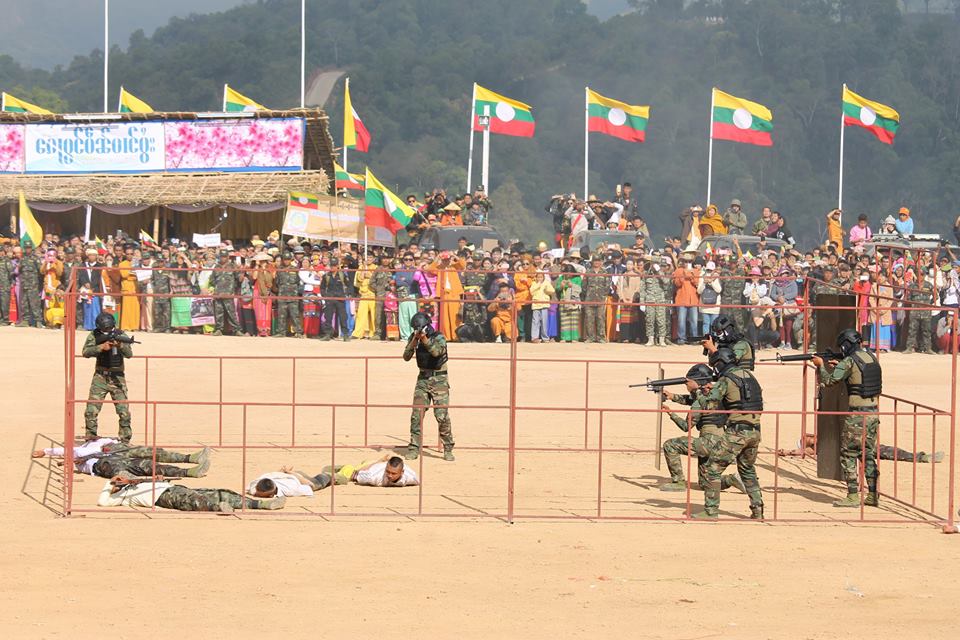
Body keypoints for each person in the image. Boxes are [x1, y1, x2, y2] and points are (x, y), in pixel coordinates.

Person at [812, 329, 882, 508]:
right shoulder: (871, 358)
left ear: (845, 344)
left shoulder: (849, 361)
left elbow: (829, 382)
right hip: (873, 413)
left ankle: (852, 496)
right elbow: (860, 377)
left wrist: (820, 366)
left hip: (857, 415)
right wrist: (841, 367)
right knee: (867, 455)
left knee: (848, 453)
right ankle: (873, 494)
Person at [695, 348, 765, 520]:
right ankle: (758, 510)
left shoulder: (726, 379)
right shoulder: (750, 376)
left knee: (712, 468)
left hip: (737, 432)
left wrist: (700, 392)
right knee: (747, 470)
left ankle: (711, 511)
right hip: (755, 430)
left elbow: (709, 404)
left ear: (720, 363)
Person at [659, 363, 745, 495]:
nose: (686, 384)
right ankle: (731, 479)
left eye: (688, 381)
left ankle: (678, 482)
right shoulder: (716, 393)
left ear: (697, 383)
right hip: (722, 442)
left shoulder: (699, 402)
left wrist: (670, 413)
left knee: (670, 445)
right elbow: (691, 399)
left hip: (708, 443)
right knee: (705, 483)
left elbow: (686, 426)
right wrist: (672, 396)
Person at [404, 312, 455, 461]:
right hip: (422, 379)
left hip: (439, 379)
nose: (418, 331)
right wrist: (414, 341)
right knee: (416, 415)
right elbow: (406, 357)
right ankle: (414, 447)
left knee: (442, 416)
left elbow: (436, 352)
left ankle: (448, 448)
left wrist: (424, 339)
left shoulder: (439, 337)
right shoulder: (415, 338)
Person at [82, 312, 134, 443]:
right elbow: (86, 352)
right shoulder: (94, 335)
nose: (108, 331)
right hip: (100, 377)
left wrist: (120, 345)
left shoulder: (121, 334)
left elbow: (129, 354)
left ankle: (125, 440)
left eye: (109, 329)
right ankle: (90, 438)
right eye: (105, 329)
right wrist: (101, 347)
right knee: (91, 411)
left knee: (124, 412)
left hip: (117, 378)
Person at [98, 477, 284, 513]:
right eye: (119, 482)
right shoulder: (119, 497)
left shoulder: (137, 483)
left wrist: (158, 480)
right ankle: (217, 507)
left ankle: (261, 505)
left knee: (219, 493)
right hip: (164, 498)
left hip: (173, 488)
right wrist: (109, 484)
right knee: (197, 502)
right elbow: (102, 502)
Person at [209, 249, 241, 336]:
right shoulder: (216, 267)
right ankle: (219, 329)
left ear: (228, 257)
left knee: (231, 313)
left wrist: (241, 269)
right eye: (221, 256)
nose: (223, 258)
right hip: (218, 294)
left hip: (229, 294)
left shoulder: (233, 266)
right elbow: (212, 280)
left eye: (224, 256)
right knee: (218, 313)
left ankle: (236, 330)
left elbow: (239, 279)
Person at [320, 257, 351, 340]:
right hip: (330, 298)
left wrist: (346, 294)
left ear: (337, 266)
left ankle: (345, 334)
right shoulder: (326, 276)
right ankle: (328, 334)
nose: (333, 267)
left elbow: (348, 285)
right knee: (328, 317)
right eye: (331, 265)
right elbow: (322, 287)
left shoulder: (342, 275)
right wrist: (325, 296)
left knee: (343, 317)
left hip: (340, 299)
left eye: (334, 265)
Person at [274, 252, 303, 338]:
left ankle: (298, 332)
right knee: (281, 315)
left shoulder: (295, 269)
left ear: (291, 260)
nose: (286, 261)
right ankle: (281, 332)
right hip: (282, 295)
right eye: (285, 259)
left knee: (295, 315)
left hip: (293, 296)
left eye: (288, 259)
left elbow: (298, 282)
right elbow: (277, 282)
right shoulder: (279, 270)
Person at [581, 256, 609, 343]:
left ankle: (601, 337)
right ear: (592, 262)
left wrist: (603, 295)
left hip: (600, 299)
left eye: (598, 261)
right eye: (595, 261)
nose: (596, 262)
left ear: (601, 262)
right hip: (589, 299)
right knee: (589, 319)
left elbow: (607, 285)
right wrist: (587, 295)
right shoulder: (588, 272)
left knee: (600, 318)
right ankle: (590, 337)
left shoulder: (604, 272)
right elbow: (584, 286)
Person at [17, 239, 43, 328]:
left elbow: (41, 271)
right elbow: (20, 270)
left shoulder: (36, 258)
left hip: (33, 285)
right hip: (24, 284)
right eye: (26, 248)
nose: (27, 249)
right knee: (24, 303)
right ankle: (25, 321)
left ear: (31, 248)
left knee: (35, 303)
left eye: (29, 248)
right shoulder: (22, 259)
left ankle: (38, 321)